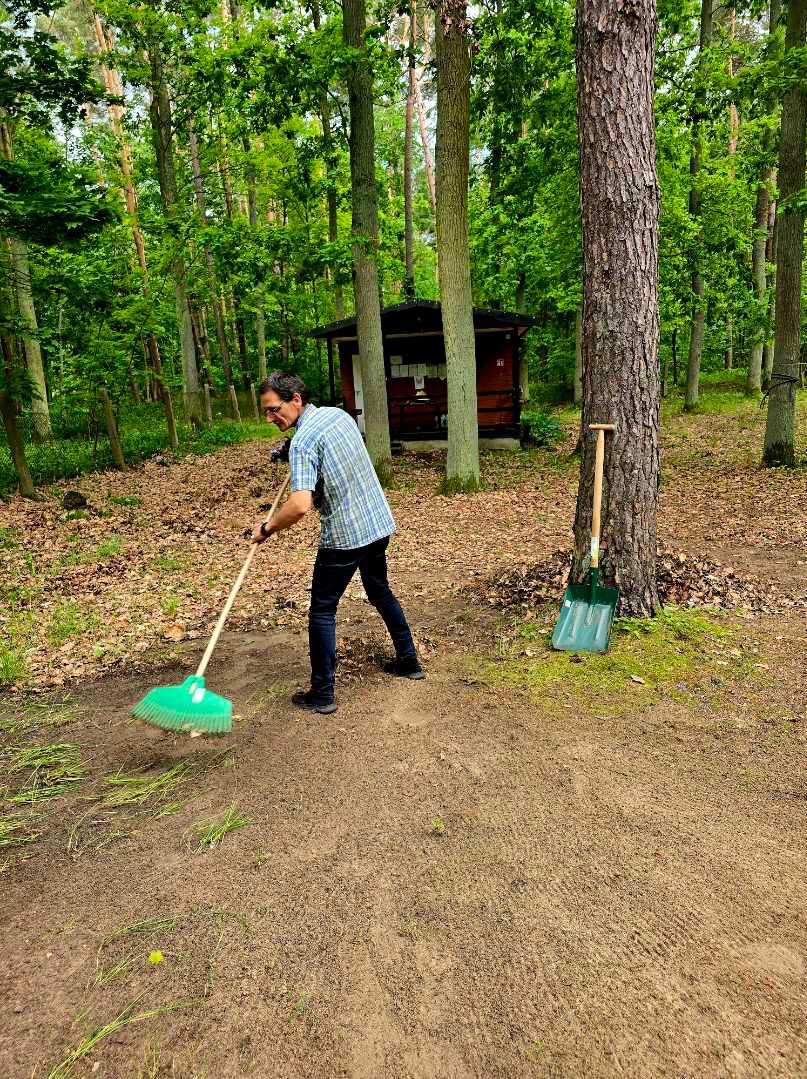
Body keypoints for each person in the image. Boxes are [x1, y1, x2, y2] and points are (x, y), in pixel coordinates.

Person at [251, 371, 424, 715]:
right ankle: (409, 662)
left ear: (296, 400)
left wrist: (268, 527)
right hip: (377, 522)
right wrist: (289, 450)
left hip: (345, 536)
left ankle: (323, 692)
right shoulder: (337, 415)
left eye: (274, 409)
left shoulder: (302, 443)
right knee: (380, 591)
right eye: (267, 412)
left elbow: (300, 505)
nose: (270, 418)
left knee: (322, 609)